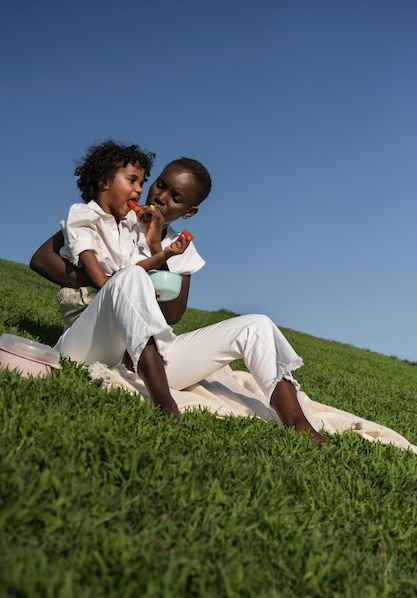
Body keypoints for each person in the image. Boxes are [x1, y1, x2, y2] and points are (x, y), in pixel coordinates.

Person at [31, 145, 324, 443]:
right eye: (160, 185)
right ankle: (164, 405)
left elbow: (172, 314)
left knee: (257, 325)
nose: (160, 197)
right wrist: (111, 285)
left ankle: (299, 425)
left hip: (153, 359)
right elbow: (41, 259)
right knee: (132, 276)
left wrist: (158, 248)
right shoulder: (112, 211)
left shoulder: (180, 247)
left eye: (176, 198)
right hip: (93, 344)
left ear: (189, 212)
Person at [56, 140, 193, 326]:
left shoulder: (127, 226)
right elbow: (90, 260)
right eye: (132, 180)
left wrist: (165, 253)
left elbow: (134, 270)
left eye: (141, 183)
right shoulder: (84, 214)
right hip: (85, 306)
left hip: (111, 303)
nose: (139, 189)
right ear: (104, 181)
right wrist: (125, 287)